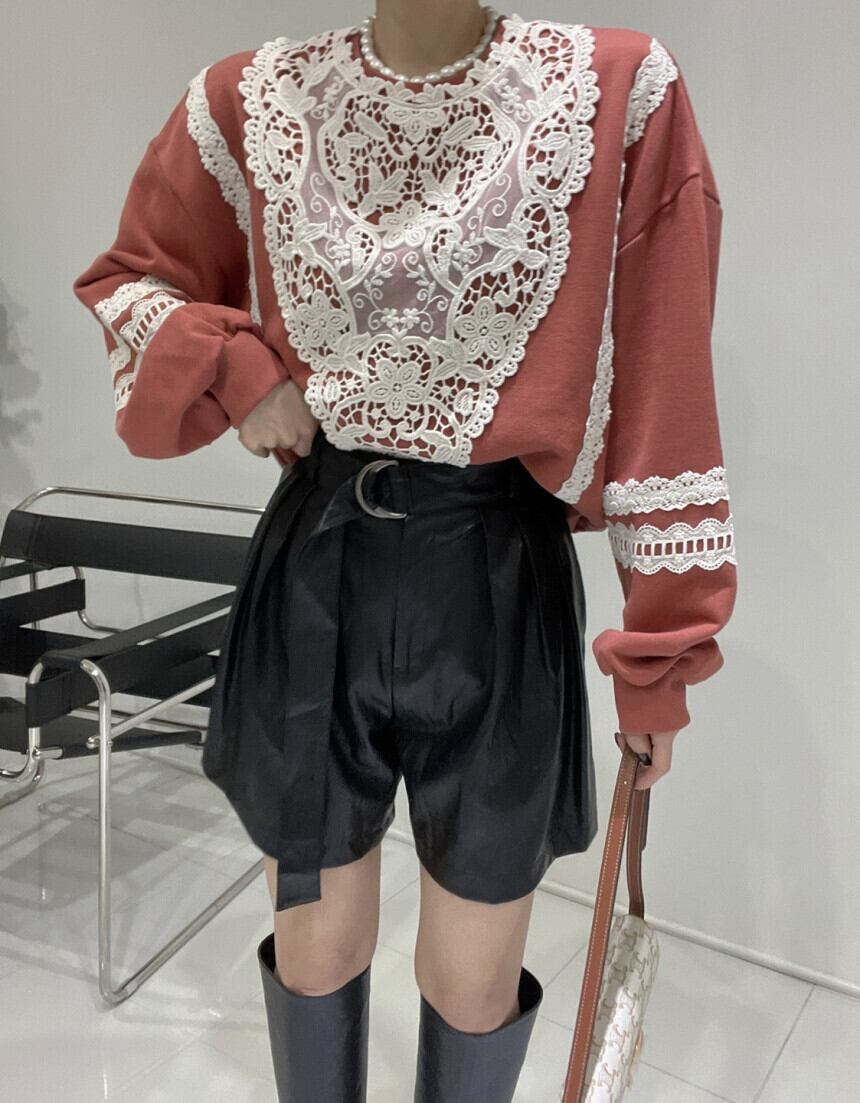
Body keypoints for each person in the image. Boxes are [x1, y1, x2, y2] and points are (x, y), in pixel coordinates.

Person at [71, 3, 737, 1099]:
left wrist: (660, 649)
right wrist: (240, 370)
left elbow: (666, 384)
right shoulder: (250, 97)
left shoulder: (618, 89)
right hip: (313, 576)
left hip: (497, 574)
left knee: (472, 981)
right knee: (315, 947)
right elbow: (129, 283)